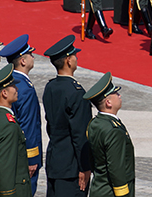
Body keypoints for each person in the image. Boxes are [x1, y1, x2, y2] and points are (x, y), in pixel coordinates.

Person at [42, 36, 92, 197]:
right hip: (71, 167)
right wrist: (85, 166)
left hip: (54, 160)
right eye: (74, 56)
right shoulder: (76, 93)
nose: (77, 59)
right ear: (68, 61)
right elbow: (80, 134)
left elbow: (50, 125)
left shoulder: (50, 87)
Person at [0, 64, 31, 197]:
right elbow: (5, 166)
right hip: (12, 190)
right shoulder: (8, 125)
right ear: (4, 93)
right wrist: (7, 193)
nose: (16, 89)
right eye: (13, 86)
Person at [0, 35, 42, 195]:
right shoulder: (24, 88)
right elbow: (28, 125)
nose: (33, 56)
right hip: (24, 158)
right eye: (30, 54)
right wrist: (32, 158)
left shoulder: (11, 81)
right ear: (23, 61)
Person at [84, 73, 135, 197]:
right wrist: (123, 193)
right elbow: (116, 167)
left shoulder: (95, 123)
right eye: (116, 93)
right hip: (111, 192)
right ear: (108, 102)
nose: (119, 95)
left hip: (99, 188)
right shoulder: (113, 130)